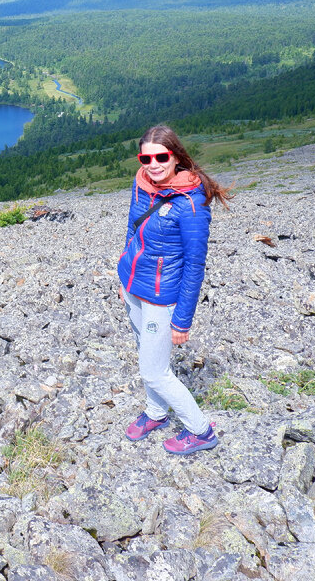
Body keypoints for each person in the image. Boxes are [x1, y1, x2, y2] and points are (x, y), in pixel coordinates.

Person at [116, 124, 231, 455]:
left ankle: (200, 431)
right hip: (134, 287)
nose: (153, 164)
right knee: (145, 351)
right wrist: (126, 273)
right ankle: (156, 413)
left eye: (161, 156)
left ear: (176, 156)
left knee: (154, 372)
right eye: (146, 157)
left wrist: (182, 320)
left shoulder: (192, 205)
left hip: (162, 298)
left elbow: (195, 267)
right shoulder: (141, 184)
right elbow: (132, 229)